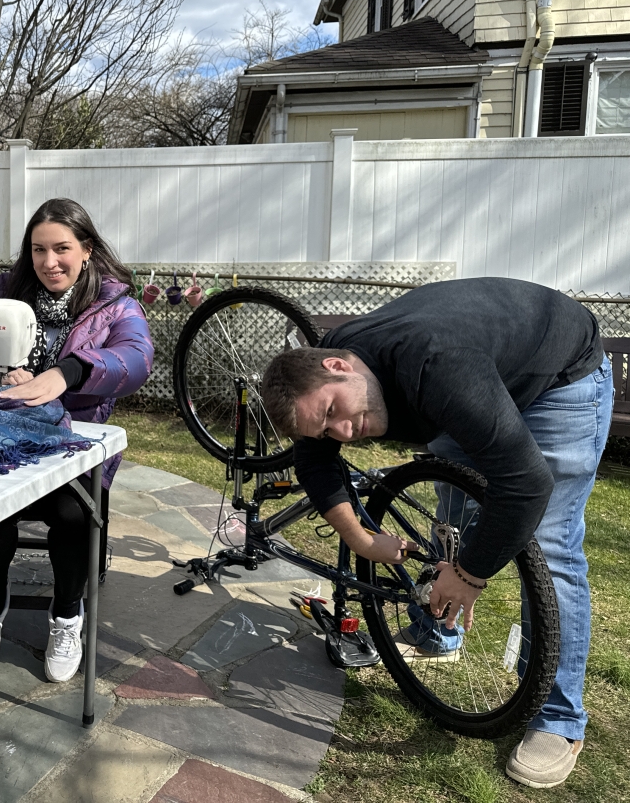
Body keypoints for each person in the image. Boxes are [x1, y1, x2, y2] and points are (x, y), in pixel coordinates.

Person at [260, 277, 610, 789]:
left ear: (339, 365)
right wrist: (362, 541)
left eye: (334, 412)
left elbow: (527, 486)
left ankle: (557, 720)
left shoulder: (434, 366)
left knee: (550, 546)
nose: (343, 432)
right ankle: (437, 633)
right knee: (455, 520)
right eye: (326, 428)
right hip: (480, 381)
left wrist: (470, 574)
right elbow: (314, 467)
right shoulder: (334, 381)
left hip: (559, 376)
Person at [0, 197, 153, 682]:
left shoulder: (115, 304)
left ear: (86, 249)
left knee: (74, 511)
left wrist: (70, 372)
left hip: (74, 445)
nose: (49, 262)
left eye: (61, 248)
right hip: (7, 435)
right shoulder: (3, 292)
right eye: (38, 250)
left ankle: (67, 616)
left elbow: (137, 358)